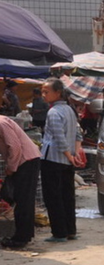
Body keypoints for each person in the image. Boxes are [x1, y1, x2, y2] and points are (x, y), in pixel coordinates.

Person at [40, 78, 82, 243]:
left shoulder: (54, 112)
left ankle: (59, 233)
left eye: (46, 92)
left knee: (53, 196)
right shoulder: (69, 110)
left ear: (57, 93)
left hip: (53, 160)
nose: (44, 95)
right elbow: (78, 134)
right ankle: (70, 231)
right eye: (42, 92)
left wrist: (70, 155)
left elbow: (58, 138)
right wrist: (74, 154)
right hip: (66, 161)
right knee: (67, 195)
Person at [0, 116, 42, 249]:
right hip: (25, 160)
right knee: (24, 200)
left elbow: (15, 146)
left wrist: (11, 168)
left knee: (23, 200)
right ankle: (25, 235)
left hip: (25, 161)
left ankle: (20, 238)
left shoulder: (2, 124)